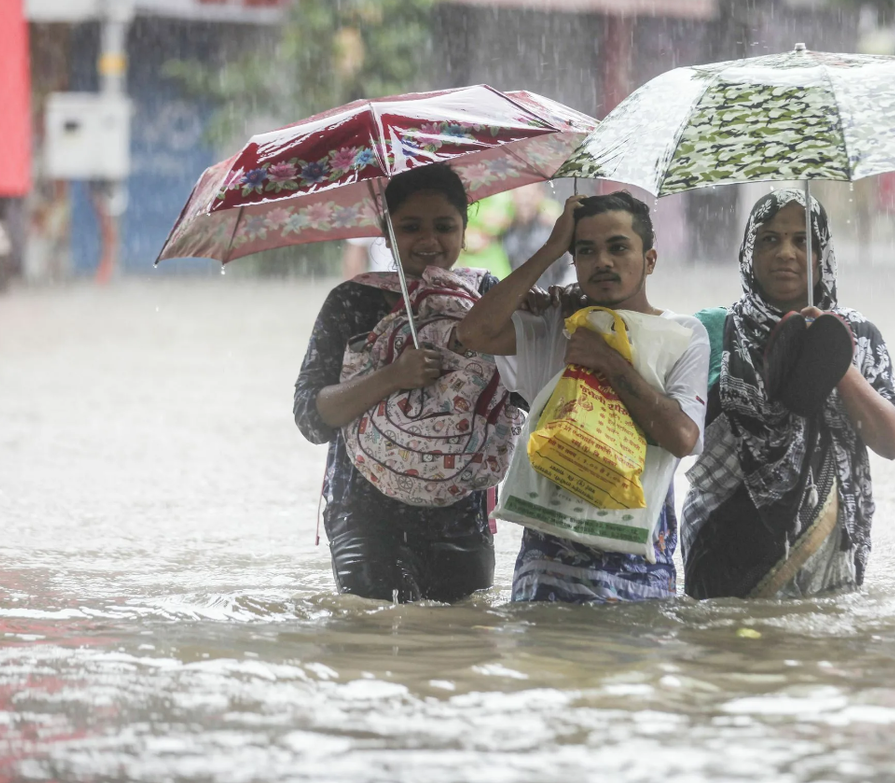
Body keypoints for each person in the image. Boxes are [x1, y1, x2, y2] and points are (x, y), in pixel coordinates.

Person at [457, 191, 710, 603]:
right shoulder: (555, 322)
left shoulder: (683, 335)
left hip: (639, 576)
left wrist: (609, 362)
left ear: (650, 260)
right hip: (544, 577)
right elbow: (473, 334)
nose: (603, 262)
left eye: (618, 248)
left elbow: (683, 438)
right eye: (586, 251)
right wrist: (549, 251)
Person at [682, 190, 895, 600]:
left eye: (803, 241)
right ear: (749, 253)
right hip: (724, 552)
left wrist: (830, 351)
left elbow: (891, 441)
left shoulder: (859, 336)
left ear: (823, 256)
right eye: (769, 239)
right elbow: (674, 431)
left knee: (816, 655)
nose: (786, 252)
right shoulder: (713, 331)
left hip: (825, 553)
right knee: (720, 654)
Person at [293, 164, 502, 603]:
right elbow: (312, 417)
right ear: (386, 234)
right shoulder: (352, 301)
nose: (429, 241)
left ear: (465, 231)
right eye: (410, 227)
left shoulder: (487, 297)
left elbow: (525, 389)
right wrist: (392, 375)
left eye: (444, 226)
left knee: (461, 646)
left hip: (461, 515)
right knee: (372, 643)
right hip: (364, 516)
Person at [502, 183, 572, 289]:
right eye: (520, 196)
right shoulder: (505, 229)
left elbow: (566, 266)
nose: (524, 201)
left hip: (549, 294)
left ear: (540, 195)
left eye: (529, 195)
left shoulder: (550, 227)